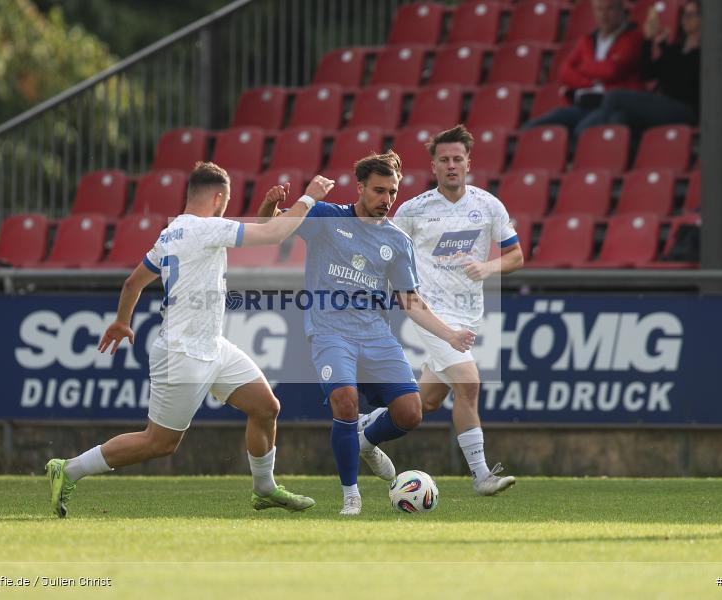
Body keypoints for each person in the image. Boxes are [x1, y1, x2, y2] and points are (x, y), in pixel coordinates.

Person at [45, 162, 333, 518]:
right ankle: (68, 469)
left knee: (266, 407)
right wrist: (310, 196)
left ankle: (264, 489)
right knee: (160, 442)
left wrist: (122, 321)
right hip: (182, 351)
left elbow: (133, 283)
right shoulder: (204, 229)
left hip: (213, 345)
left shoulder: (172, 233)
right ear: (218, 198)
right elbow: (273, 236)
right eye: (225, 203)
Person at [257, 151, 476, 516]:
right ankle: (351, 495)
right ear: (360, 188)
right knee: (345, 400)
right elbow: (271, 229)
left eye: (392, 192)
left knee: (410, 413)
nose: (386, 200)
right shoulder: (327, 218)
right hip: (330, 333)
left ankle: (366, 438)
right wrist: (268, 204)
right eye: (378, 191)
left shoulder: (397, 240)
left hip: (376, 336)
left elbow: (411, 300)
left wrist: (450, 335)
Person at [386, 125, 523, 496]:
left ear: (468, 163)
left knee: (423, 403)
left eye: (457, 159)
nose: (451, 165)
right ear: (433, 165)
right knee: (469, 381)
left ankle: (365, 432)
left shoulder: (488, 205)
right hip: (429, 313)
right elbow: (384, 252)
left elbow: (516, 256)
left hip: (468, 314)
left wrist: (488, 267)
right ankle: (481, 476)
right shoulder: (413, 210)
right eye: (444, 159)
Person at [583, 0, 701, 139]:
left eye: (691, 15)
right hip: (664, 105)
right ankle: (617, 155)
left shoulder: (703, 54)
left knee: (614, 96)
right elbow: (647, 73)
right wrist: (648, 41)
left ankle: (594, 140)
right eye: (684, 15)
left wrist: (666, 49)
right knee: (620, 117)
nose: (685, 19)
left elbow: (685, 81)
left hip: (684, 109)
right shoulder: (676, 49)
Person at [525, 0, 642, 139]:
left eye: (609, 9)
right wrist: (590, 82)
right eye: (599, 10)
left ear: (621, 10)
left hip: (610, 106)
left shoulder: (633, 37)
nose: (604, 15)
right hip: (582, 106)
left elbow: (612, 70)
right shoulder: (587, 40)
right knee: (532, 129)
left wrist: (582, 67)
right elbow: (564, 72)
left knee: (582, 133)